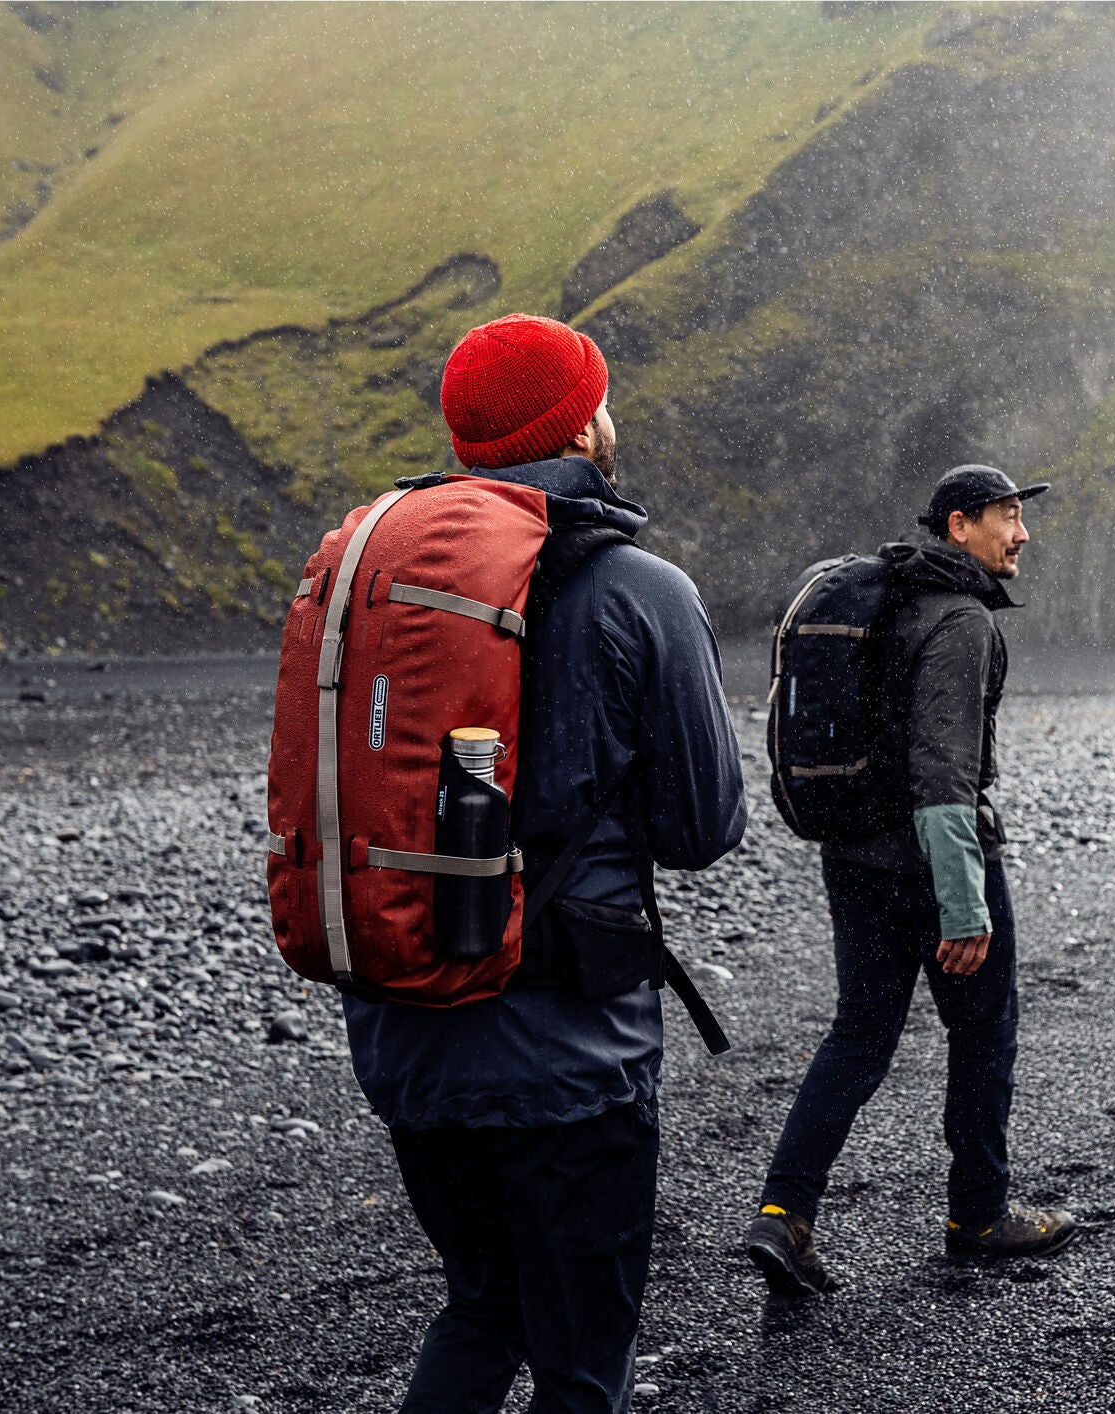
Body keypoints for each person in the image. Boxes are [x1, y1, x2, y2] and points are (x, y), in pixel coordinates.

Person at [340, 313, 747, 1413]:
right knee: (581, 1358)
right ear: (581, 424)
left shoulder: (389, 580)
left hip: (404, 1030)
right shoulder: (637, 589)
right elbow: (705, 827)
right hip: (570, 1054)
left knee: (481, 1308)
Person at [745, 464, 1079, 1296]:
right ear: (959, 525)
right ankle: (978, 1215)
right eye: (1007, 516)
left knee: (858, 1037)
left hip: (854, 856)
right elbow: (944, 776)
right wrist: (962, 908)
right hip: (933, 866)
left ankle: (783, 1216)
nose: (1023, 532)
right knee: (984, 1034)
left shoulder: (888, 596)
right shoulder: (961, 620)